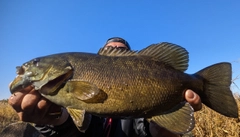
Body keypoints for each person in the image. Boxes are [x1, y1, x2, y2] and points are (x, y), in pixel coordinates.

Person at [8, 37, 202, 137]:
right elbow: (78, 128)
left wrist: (162, 132)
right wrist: (55, 120)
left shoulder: (140, 115)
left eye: (121, 51)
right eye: (109, 50)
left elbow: (144, 130)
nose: (114, 53)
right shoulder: (63, 88)